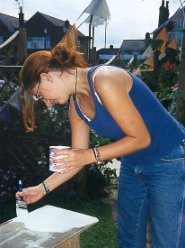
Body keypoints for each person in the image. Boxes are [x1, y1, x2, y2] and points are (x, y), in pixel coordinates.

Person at [16, 43, 185, 248]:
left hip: (168, 159)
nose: (46, 102)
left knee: (168, 242)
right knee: (129, 238)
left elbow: (142, 138)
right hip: (133, 163)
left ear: (46, 76)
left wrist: (89, 155)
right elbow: (78, 159)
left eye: (40, 94)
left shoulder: (104, 80)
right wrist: (42, 188)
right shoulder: (76, 107)